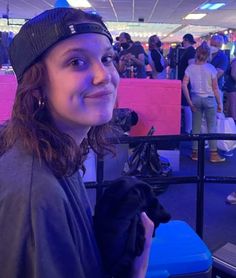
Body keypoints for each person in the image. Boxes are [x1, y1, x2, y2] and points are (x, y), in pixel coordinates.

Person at [0, 8, 154, 278]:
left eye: (107, 58)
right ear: (37, 87)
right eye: (76, 62)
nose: (103, 75)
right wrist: (137, 272)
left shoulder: (56, 152)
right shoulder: (36, 194)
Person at [182, 41, 225, 162]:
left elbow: (184, 85)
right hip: (210, 99)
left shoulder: (190, 68)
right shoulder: (211, 68)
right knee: (212, 126)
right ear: (208, 56)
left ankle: (195, 153)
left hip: (195, 98)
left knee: (195, 126)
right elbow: (215, 88)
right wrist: (220, 103)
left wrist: (189, 102)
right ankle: (214, 154)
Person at [178, 33, 196, 134]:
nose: (183, 42)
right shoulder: (189, 51)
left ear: (186, 40)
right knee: (185, 105)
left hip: (186, 82)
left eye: (184, 40)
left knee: (187, 105)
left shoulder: (190, 51)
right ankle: (188, 128)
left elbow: (191, 66)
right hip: (185, 81)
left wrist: (186, 81)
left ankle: (188, 129)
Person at [210, 34, 229, 105]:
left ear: (220, 46)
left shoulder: (223, 57)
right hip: (204, 90)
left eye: (215, 45)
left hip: (216, 89)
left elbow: (217, 75)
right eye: (211, 44)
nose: (212, 47)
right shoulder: (205, 54)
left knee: (217, 113)